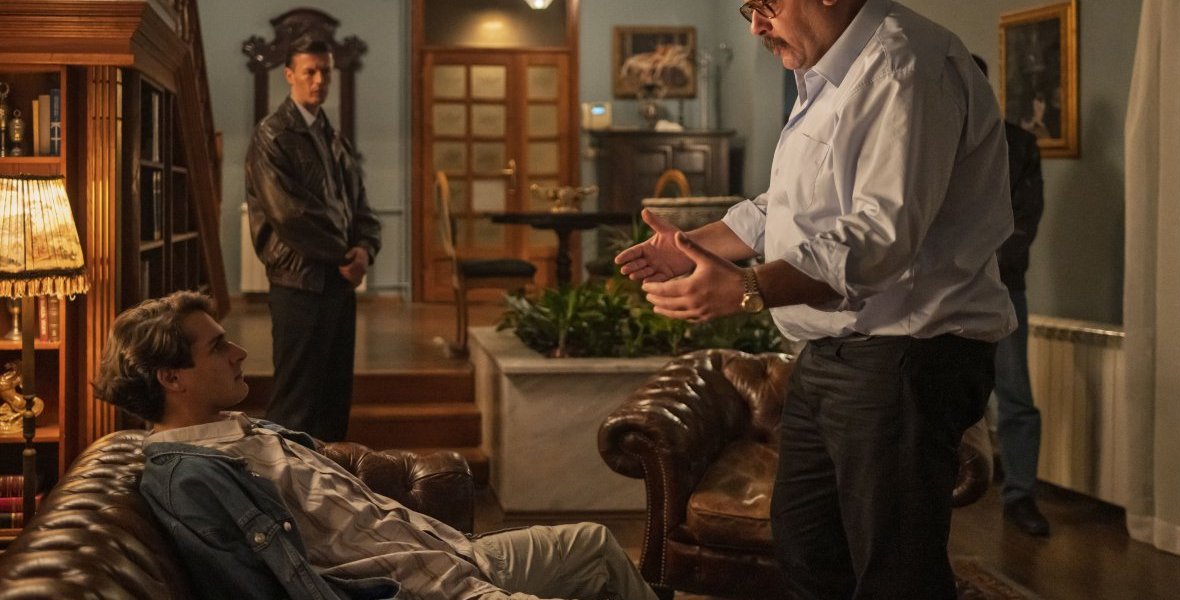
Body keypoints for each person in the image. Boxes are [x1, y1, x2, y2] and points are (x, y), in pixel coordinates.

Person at [616, 1, 1016, 598]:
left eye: (765, 4)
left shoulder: (904, 66)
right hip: (831, 354)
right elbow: (784, 208)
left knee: (894, 574)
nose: (756, 25)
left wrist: (748, 287)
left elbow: (877, 241)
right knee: (805, 548)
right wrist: (691, 246)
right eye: (748, 8)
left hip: (905, 357)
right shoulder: (830, 73)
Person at [92, 291, 658, 600]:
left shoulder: (241, 428)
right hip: (425, 592)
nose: (239, 352)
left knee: (594, 543)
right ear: (172, 377)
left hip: (454, 556)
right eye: (218, 347)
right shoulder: (190, 477)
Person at [246, 36, 380, 442]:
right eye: (310, 71)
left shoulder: (334, 138)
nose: (319, 80)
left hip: (338, 283)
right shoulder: (272, 135)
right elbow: (290, 216)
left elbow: (361, 207)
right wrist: (344, 255)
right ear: (289, 75)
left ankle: (329, 481)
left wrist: (365, 250)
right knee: (295, 405)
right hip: (299, 284)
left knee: (334, 403)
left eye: (326, 72)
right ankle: (284, 482)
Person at [974, 54, 1050, 537]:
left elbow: (1025, 220)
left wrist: (976, 268)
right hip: (940, 292)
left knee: (1016, 395)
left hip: (1002, 288)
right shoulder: (926, 140)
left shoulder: (1019, 145)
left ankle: (1020, 495)